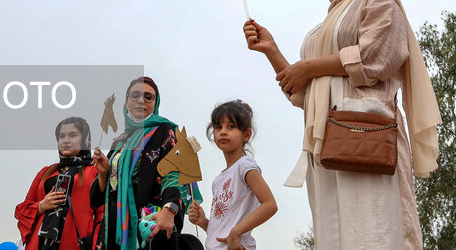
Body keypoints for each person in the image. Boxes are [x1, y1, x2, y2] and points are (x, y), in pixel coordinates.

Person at [243, 0, 441, 250]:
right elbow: (305, 91)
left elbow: (376, 55)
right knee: (334, 235)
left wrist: (308, 67)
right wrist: (272, 51)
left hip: (366, 134)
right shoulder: (326, 23)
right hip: (325, 142)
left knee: (375, 230)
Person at [90, 76, 188, 249]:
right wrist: (104, 172)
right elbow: (98, 198)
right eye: (135, 96)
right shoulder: (119, 142)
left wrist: (169, 208)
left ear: (155, 103)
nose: (141, 100)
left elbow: (173, 172)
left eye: (148, 97)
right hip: (115, 225)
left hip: (147, 221)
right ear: (126, 102)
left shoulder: (165, 131)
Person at [188, 100, 277, 249]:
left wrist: (237, 231)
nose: (223, 131)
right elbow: (221, 228)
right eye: (218, 127)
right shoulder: (217, 181)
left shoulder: (245, 165)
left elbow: (270, 205)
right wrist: (203, 222)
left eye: (231, 126)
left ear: (246, 134)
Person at [15, 116, 101, 249]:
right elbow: (23, 209)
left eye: (72, 135)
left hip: (76, 243)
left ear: (84, 140)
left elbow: (102, 213)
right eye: (61, 136)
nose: (66, 140)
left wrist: (97, 243)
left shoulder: (95, 171)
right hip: (40, 244)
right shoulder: (45, 172)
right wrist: (41, 206)